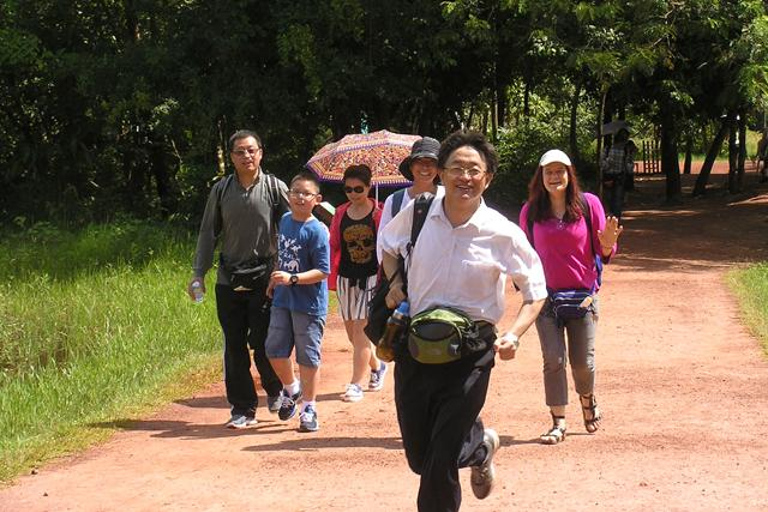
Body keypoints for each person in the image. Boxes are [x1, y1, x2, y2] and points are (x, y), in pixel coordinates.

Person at [378, 131, 547, 512]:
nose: (464, 177)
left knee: (438, 464)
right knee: (420, 458)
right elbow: (388, 248)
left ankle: (464, 451)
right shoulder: (419, 212)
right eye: (456, 168)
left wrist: (514, 334)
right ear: (440, 173)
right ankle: (480, 445)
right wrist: (395, 282)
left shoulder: (502, 233)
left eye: (475, 170)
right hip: (416, 346)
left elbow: (536, 291)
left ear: (487, 178)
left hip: (470, 354)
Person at [519, 149, 623, 445]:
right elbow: (524, 254)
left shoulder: (589, 205)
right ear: (541, 177)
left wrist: (607, 245)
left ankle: (587, 399)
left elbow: (604, 251)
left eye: (559, 171)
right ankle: (558, 421)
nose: (554, 177)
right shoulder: (530, 211)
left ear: (569, 174)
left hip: (582, 297)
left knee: (582, 363)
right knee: (553, 360)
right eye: (548, 172)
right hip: (546, 299)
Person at [188, 129, 286, 429]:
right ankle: (242, 408)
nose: (247, 156)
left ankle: (275, 390)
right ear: (231, 157)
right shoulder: (221, 190)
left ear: (261, 153)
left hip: (265, 277)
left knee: (263, 341)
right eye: (240, 152)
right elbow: (208, 232)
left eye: (252, 150)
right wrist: (198, 273)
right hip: (229, 278)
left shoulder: (274, 187)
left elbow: (293, 225)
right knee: (233, 344)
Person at [265, 172, 330, 432]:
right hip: (283, 299)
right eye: (295, 192)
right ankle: (293, 390)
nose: (300, 197)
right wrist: (275, 278)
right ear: (288, 195)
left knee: (308, 356)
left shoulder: (317, 231)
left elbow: (323, 271)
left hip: (309, 303)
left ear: (317, 199)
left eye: (306, 194)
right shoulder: (284, 220)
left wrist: (292, 278)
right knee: (273, 349)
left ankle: (309, 408)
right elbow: (284, 256)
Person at [328, 164, 386, 402]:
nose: (353, 194)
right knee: (353, 336)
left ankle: (355, 385)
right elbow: (333, 243)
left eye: (358, 189)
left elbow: (389, 244)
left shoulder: (380, 212)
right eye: (348, 189)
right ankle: (377, 366)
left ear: (369, 187)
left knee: (362, 330)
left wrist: (380, 220)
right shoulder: (341, 212)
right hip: (346, 277)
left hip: (371, 277)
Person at [601, 128, 635, 219]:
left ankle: (614, 219)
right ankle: (613, 218)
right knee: (614, 199)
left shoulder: (624, 149)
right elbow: (629, 167)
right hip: (612, 177)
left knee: (614, 199)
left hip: (616, 177)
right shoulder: (609, 148)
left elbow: (603, 163)